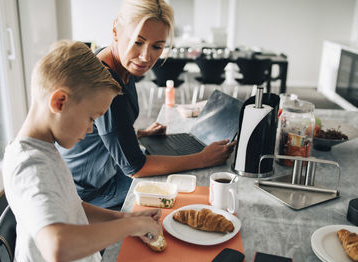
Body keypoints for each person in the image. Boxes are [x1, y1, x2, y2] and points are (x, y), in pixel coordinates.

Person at [57, 0, 236, 209]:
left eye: (157, 46)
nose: (145, 57)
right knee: (183, 193)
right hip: (93, 193)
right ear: (115, 31)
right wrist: (203, 158)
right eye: (137, 42)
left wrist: (137, 134)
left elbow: (103, 132)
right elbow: (135, 168)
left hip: (105, 173)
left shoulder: (120, 63)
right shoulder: (105, 82)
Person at [3, 40, 162, 262]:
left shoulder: (46, 148)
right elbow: (56, 247)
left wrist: (124, 218)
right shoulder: (30, 166)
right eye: (91, 118)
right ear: (60, 102)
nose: (90, 130)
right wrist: (131, 226)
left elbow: (73, 206)